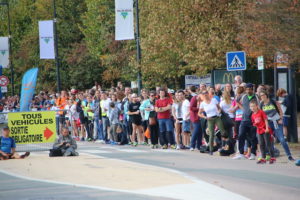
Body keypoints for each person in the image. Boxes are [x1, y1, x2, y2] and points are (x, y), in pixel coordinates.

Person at [259, 91, 295, 161]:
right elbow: (261, 115)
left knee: (282, 140)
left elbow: (281, 111)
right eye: (260, 96)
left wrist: (281, 119)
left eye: (263, 95)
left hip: (277, 122)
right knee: (267, 140)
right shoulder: (261, 104)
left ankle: (289, 155)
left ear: (266, 95)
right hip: (268, 123)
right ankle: (269, 155)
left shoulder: (273, 102)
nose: (262, 97)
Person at [233, 83, 259, 160]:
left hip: (253, 120)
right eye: (247, 89)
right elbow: (237, 101)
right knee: (241, 135)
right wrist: (243, 108)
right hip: (244, 120)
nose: (248, 91)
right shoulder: (243, 96)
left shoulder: (256, 97)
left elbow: (260, 105)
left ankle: (253, 153)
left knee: (253, 137)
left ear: (252, 89)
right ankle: (241, 153)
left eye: (249, 89)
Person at [198, 90, 226, 155]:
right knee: (211, 135)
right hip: (209, 119)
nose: (205, 95)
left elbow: (219, 108)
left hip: (216, 117)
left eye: (206, 93)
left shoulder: (213, 100)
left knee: (222, 131)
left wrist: (219, 111)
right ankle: (211, 150)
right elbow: (199, 113)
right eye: (204, 94)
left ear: (208, 94)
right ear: (203, 95)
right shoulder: (203, 103)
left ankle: (224, 146)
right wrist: (205, 117)